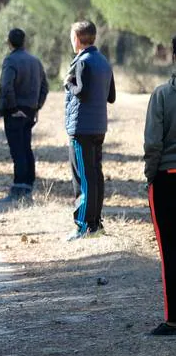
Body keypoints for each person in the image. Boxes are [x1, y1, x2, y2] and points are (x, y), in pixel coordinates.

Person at [64, 20, 115, 240]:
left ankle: (83, 226)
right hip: (98, 127)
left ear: (76, 39)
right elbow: (111, 97)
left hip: (81, 128)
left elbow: (81, 92)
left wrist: (68, 83)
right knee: (95, 176)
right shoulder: (104, 61)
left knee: (83, 178)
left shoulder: (82, 62)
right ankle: (96, 223)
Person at [143, 36, 176, 336]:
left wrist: (149, 175)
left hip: (168, 177)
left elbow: (153, 143)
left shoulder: (163, 94)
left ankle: (173, 319)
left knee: (170, 250)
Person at [0, 28, 49, 203]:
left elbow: (6, 86)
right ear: (24, 41)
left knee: (17, 149)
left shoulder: (10, 60)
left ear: (9, 42)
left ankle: (18, 187)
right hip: (30, 111)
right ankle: (28, 187)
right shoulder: (35, 61)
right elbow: (45, 87)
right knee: (26, 148)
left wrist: (12, 108)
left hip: (15, 111)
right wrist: (37, 107)